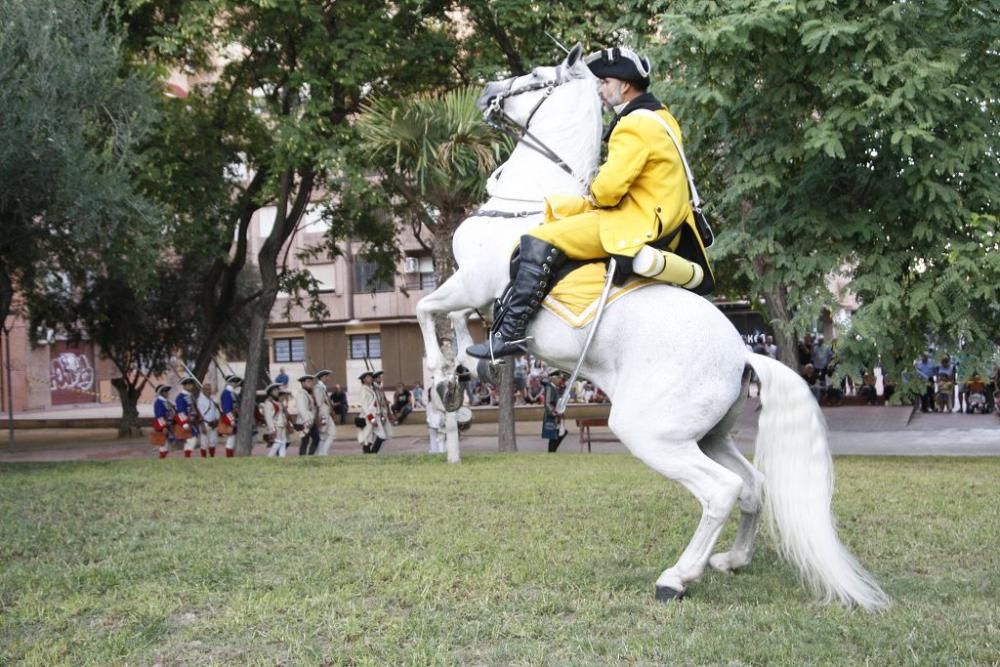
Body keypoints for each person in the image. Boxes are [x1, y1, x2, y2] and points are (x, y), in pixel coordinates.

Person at [467, 46, 711, 360]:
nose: (601, 88)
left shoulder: (634, 124)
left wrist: (593, 187)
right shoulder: (662, 117)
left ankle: (509, 336)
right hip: (668, 222)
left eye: (605, 82)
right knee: (563, 216)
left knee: (539, 238)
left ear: (624, 85)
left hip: (637, 223)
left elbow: (608, 190)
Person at [357, 371, 389, 454]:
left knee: (381, 436)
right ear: (364, 380)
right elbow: (364, 406)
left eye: (371, 377)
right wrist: (371, 419)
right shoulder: (363, 390)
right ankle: (369, 455)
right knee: (367, 438)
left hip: (376, 415)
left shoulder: (371, 388)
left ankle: (372, 454)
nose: (371, 378)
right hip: (368, 417)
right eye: (368, 377)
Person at [542, 370, 568, 452]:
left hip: (558, 414)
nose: (560, 380)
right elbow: (547, 402)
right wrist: (553, 412)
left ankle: (552, 450)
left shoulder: (556, 387)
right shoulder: (549, 387)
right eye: (559, 378)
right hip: (553, 415)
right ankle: (551, 451)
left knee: (560, 433)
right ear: (554, 378)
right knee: (554, 435)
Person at [174, 377, 200, 458]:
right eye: (188, 384)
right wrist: (185, 424)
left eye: (191, 384)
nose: (191, 386)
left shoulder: (190, 395)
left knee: (192, 440)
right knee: (191, 440)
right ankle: (187, 457)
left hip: (192, 421)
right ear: (184, 386)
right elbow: (181, 412)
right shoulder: (180, 397)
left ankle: (187, 457)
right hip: (186, 422)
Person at [294, 375, 319, 455]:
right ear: (303, 383)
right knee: (305, 441)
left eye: (311, 381)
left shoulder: (308, 394)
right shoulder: (301, 394)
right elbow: (302, 409)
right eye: (308, 382)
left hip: (311, 421)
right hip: (305, 421)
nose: (311, 383)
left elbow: (312, 408)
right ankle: (303, 458)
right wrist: (308, 422)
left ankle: (310, 456)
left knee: (316, 438)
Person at [262, 382, 289, 457]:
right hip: (275, 425)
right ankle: (269, 457)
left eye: (277, 390)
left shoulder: (277, 402)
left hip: (282, 424)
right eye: (275, 390)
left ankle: (282, 458)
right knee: (278, 442)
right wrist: (272, 429)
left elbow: (282, 414)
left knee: (283, 442)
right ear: (270, 392)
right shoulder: (268, 403)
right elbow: (268, 417)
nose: (277, 392)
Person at [217, 374, 242, 458]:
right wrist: (231, 420)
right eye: (235, 382)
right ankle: (229, 458)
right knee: (230, 440)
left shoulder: (232, 393)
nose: (236, 384)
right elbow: (227, 409)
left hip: (235, 417)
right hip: (230, 419)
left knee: (233, 440)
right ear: (230, 383)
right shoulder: (226, 394)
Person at [313, 370, 336, 455]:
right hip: (323, 414)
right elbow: (319, 403)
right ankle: (322, 454)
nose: (328, 379)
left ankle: (322, 453)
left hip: (327, 413)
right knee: (323, 435)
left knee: (330, 434)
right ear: (322, 377)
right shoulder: (318, 388)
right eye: (327, 377)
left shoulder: (322, 388)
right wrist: (322, 416)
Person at [196, 382, 220, 457]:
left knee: (213, 442)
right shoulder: (200, 400)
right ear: (203, 390)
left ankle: (212, 457)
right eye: (207, 390)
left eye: (210, 389)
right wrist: (202, 425)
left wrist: (217, 420)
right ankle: (204, 458)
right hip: (205, 423)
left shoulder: (212, 399)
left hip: (213, 423)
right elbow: (199, 414)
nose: (209, 391)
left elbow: (215, 411)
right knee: (204, 443)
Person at [152, 384, 175, 459]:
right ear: (160, 393)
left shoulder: (167, 402)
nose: (167, 393)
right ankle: (162, 462)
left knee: (166, 446)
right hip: (161, 427)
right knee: (163, 446)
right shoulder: (158, 402)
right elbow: (159, 416)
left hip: (168, 425)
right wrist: (164, 427)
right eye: (164, 391)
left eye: (167, 391)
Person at [372, 371, 394, 442]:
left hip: (383, 411)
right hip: (376, 412)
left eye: (380, 377)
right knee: (379, 432)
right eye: (378, 377)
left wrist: (389, 412)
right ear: (374, 379)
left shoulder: (380, 387)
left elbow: (384, 398)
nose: (380, 379)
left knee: (385, 430)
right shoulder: (373, 388)